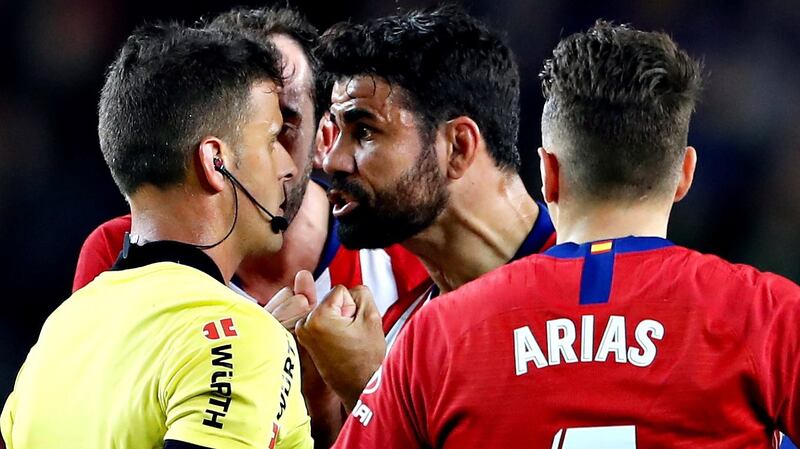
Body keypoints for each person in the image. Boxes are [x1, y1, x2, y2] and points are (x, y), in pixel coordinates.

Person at [331, 20, 800, 448]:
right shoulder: (767, 315)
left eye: (363, 131)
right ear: (684, 176)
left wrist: (355, 390)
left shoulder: (437, 335)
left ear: (548, 174)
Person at [1, 24, 313, 449]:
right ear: (215, 162)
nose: (288, 166)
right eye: (273, 139)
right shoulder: (241, 338)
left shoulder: (55, 337)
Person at [70, 6, 429, 328]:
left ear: (325, 138)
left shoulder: (406, 257)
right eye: (243, 126)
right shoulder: (125, 252)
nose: (273, 161)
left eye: (283, 125)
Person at [296, 5, 556, 412]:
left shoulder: (592, 294)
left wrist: (369, 390)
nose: (332, 161)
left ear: (458, 147)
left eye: (364, 131)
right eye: (338, 130)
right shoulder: (397, 333)